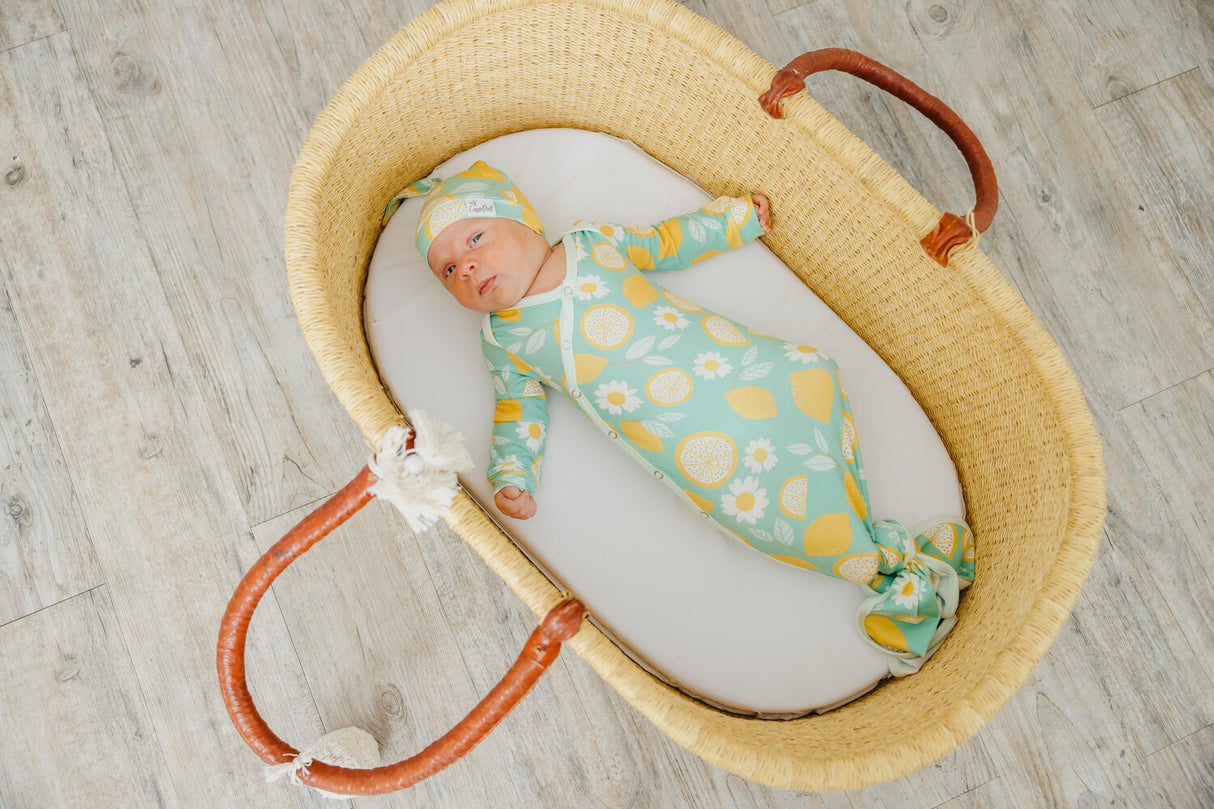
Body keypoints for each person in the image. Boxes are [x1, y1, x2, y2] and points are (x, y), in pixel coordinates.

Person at [383, 161, 974, 674]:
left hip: (739, 368)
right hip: (688, 439)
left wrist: (733, 222)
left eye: (475, 238)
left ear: (525, 219)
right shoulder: (505, 338)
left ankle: (864, 528)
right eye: (448, 271)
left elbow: (667, 241)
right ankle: (872, 559)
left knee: (810, 375)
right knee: (755, 503)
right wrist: (513, 473)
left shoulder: (592, 243)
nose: (467, 267)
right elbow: (518, 407)